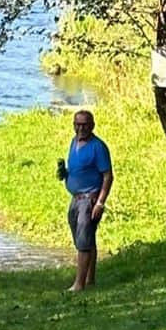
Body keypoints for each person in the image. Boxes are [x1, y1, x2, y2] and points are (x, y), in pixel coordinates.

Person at [59, 109, 113, 292]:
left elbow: (108, 176)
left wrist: (99, 203)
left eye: (84, 124)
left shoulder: (98, 147)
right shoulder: (74, 142)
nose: (80, 128)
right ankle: (90, 279)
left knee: (83, 242)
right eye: (77, 124)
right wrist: (65, 174)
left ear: (92, 125)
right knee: (86, 239)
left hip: (89, 200)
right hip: (76, 198)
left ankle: (79, 284)